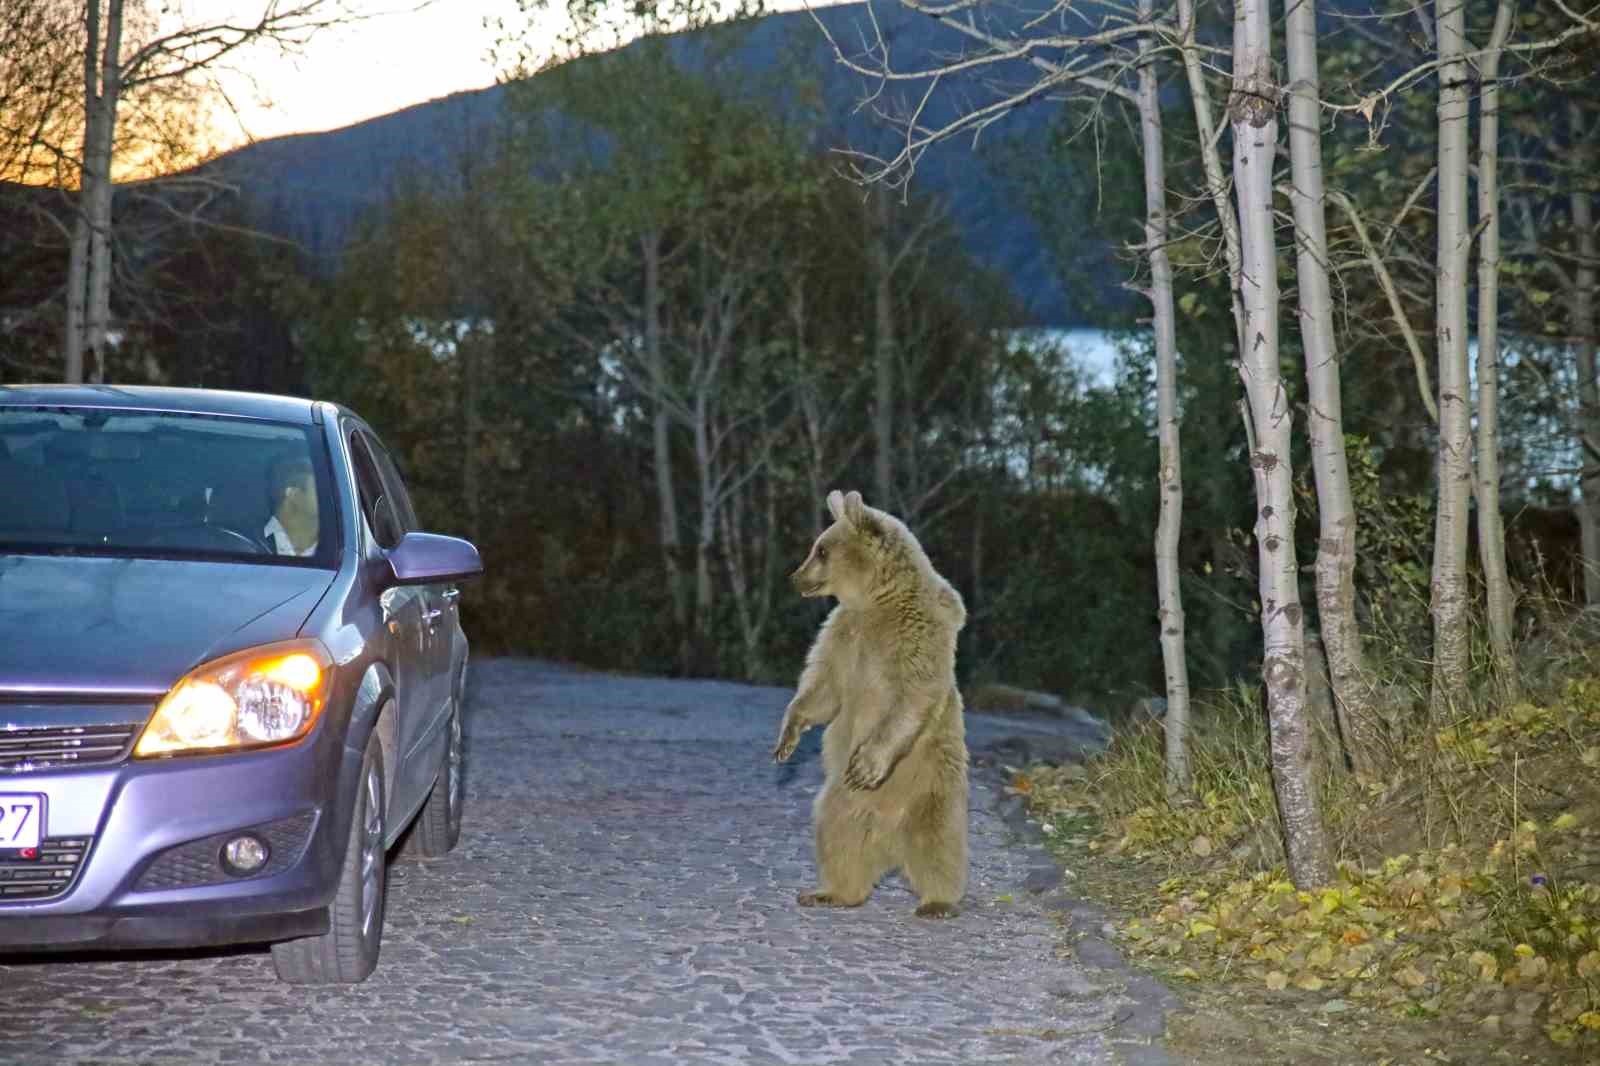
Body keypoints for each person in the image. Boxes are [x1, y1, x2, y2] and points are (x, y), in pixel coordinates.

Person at [264, 456, 318, 556]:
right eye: (318, 488)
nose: (330, 494)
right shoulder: (250, 544)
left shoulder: (342, 551)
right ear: (293, 494)